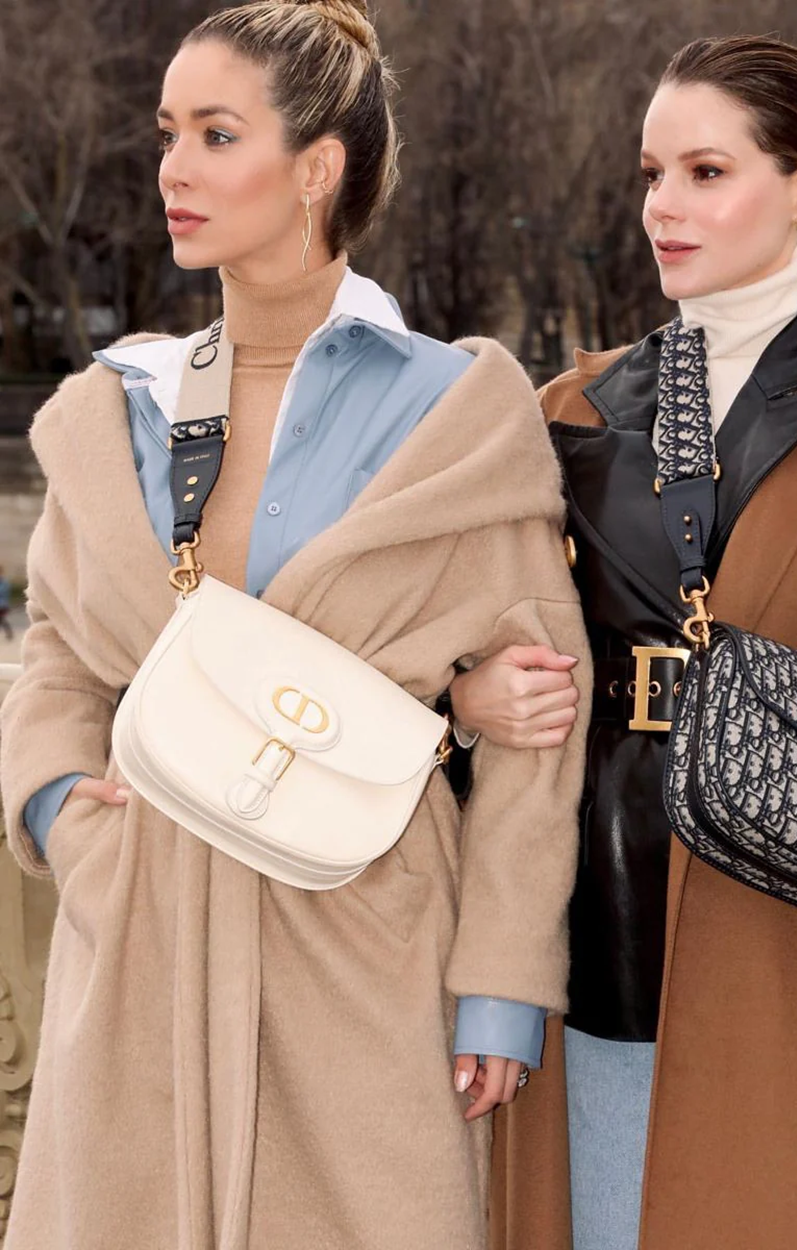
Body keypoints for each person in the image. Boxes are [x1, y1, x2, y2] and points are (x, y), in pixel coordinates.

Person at [0, 2, 589, 1246]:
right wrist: (59, 807)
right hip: (142, 942)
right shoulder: (126, 404)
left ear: (317, 168)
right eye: (168, 132)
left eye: (217, 134)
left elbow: (538, 710)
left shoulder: (454, 413)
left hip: (364, 941)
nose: (175, 167)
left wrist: (498, 984)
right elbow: (55, 647)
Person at [451, 36, 797, 1250]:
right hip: (598, 957)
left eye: (706, 171)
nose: (663, 205)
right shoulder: (567, 413)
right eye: (652, 173)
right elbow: (441, 634)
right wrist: (465, 691)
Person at [0, 567, 13, 641]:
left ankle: (9, 633)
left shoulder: (4, 582)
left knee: (2, 619)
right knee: (2, 620)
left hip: (2, 605)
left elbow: (3, 592)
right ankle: (9, 633)